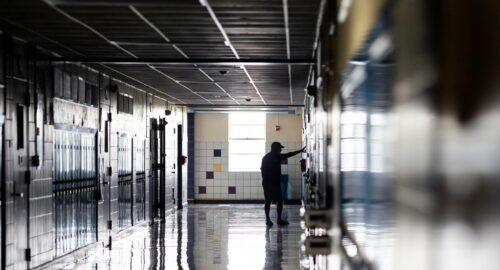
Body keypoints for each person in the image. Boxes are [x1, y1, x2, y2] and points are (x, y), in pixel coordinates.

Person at [261, 142, 305, 226]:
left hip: (273, 183)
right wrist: (269, 183)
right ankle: (270, 220)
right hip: (269, 183)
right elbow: (263, 171)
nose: (281, 150)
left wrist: (300, 151)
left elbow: (288, 154)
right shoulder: (268, 157)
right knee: (269, 201)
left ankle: (276, 220)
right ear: (275, 148)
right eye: (279, 148)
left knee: (278, 201)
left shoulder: (275, 156)